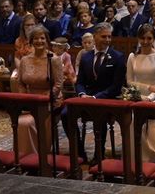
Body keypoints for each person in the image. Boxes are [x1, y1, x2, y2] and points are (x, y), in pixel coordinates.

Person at [68, 22, 126, 161]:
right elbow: (80, 81)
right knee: (66, 114)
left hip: (106, 98)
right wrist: (82, 94)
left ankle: (98, 155)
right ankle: (79, 152)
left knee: (99, 116)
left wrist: (95, 97)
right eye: (103, 36)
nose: (107, 40)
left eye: (109, 37)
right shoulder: (86, 57)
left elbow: (116, 86)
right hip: (86, 97)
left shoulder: (117, 57)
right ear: (95, 36)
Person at [127, 24, 155, 162]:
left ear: (154, 39)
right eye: (142, 38)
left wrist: (151, 97)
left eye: (149, 38)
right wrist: (146, 90)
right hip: (139, 95)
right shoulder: (132, 57)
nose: (145, 42)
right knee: (134, 120)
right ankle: (137, 156)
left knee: (153, 120)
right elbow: (129, 81)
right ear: (138, 38)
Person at [17, 26, 64, 155]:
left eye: (42, 38)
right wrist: (24, 99)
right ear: (31, 41)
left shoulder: (53, 59)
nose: (39, 41)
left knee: (30, 123)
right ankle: (26, 156)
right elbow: (20, 82)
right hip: (30, 100)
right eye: (36, 38)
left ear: (47, 40)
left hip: (49, 101)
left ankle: (41, 155)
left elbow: (59, 83)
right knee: (22, 123)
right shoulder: (25, 60)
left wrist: (47, 98)